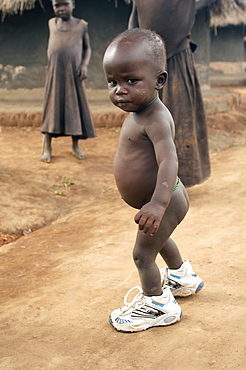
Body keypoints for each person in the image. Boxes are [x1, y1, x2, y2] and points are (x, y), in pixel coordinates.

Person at [103, 28, 203, 333]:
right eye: (113, 82)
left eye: (131, 81)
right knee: (158, 239)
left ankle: (157, 304)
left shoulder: (157, 117)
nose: (120, 90)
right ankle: (181, 277)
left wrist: (158, 204)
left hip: (165, 199)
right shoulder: (139, 110)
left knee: (142, 254)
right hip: (162, 200)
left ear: (159, 80)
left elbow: (169, 160)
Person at [128, 0, 215, 187]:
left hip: (178, 59)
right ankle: (152, 179)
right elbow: (133, 29)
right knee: (149, 121)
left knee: (180, 117)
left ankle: (180, 178)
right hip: (149, 63)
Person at [40, 0, 96, 163]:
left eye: (65, 4)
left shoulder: (81, 25)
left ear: (73, 4)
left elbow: (87, 48)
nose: (61, 8)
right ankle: (47, 148)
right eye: (57, 5)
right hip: (55, 74)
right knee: (51, 108)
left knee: (74, 108)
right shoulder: (51, 23)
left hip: (73, 74)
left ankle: (75, 146)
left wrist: (84, 65)